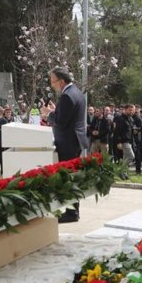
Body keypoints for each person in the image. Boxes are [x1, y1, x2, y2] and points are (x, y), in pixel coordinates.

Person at [44, 66, 89, 223]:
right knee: (71, 177)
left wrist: (48, 114)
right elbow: (67, 116)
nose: (52, 85)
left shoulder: (67, 96)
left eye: (53, 81)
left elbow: (61, 122)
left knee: (68, 178)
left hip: (68, 142)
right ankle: (72, 210)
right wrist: (56, 111)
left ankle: (71, 213)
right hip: (74, 140)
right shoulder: (76, 92)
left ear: (62, 81)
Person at [113, 104, 135, 177]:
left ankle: (123, 173)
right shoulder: (120, 118)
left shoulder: (130, 119)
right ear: (125, 110)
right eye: (130, 110)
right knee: (131, 156)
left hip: (129, 141)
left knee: (125, 158)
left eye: (132, 110)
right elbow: (117, 131)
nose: (131, 112)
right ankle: (121, 170)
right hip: (123, 141)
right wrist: (118, 142)